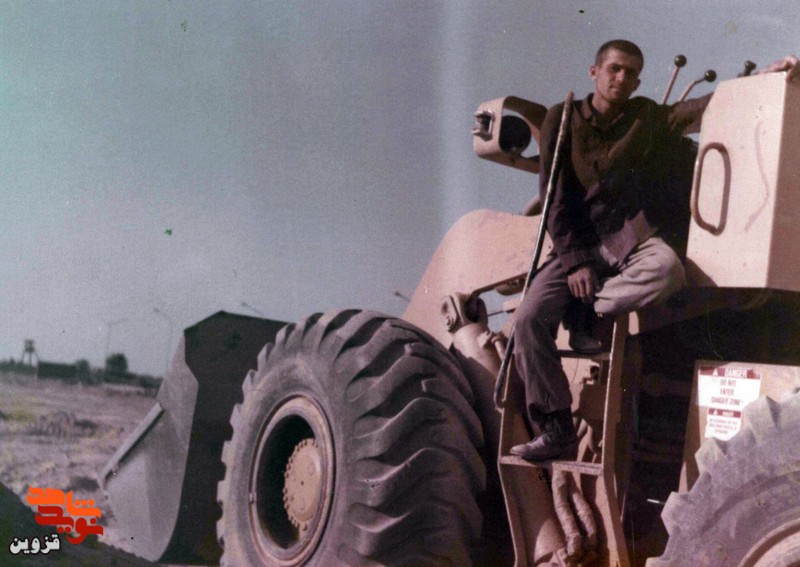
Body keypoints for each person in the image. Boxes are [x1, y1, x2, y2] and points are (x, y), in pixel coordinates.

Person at [510, 40, 800, 462]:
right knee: (528, 320)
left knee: (668, 270)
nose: (622, 78)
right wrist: (573, 263)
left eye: (631, 73)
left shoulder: (645, 116)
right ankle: (556, 428)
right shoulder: (564, 117)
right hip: (578, 246)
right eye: (614, 69)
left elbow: (697, 109)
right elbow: (554, 197)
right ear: (594, 72)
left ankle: (586, 311)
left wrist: (758, 80)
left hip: (629, 240)